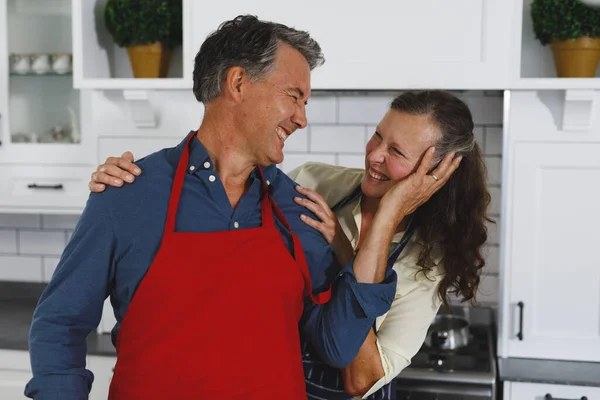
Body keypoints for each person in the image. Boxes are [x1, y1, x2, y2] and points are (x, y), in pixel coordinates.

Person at [26, 15, 457, 400]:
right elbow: (60, 323)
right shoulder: (130, 192)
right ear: (238, 84)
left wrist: (387, 216)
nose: (302, 118)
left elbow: (337, 346)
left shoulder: (298, 207)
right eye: (295, 96)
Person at [90, 90, 488, 399]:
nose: (375, 156)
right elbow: (224, 196)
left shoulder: (428, 262)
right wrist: (139, 178)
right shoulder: (312, 181)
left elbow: (359, 378)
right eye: (377, 136)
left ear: (433, 174)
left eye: (397, 152)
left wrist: (374, 227)